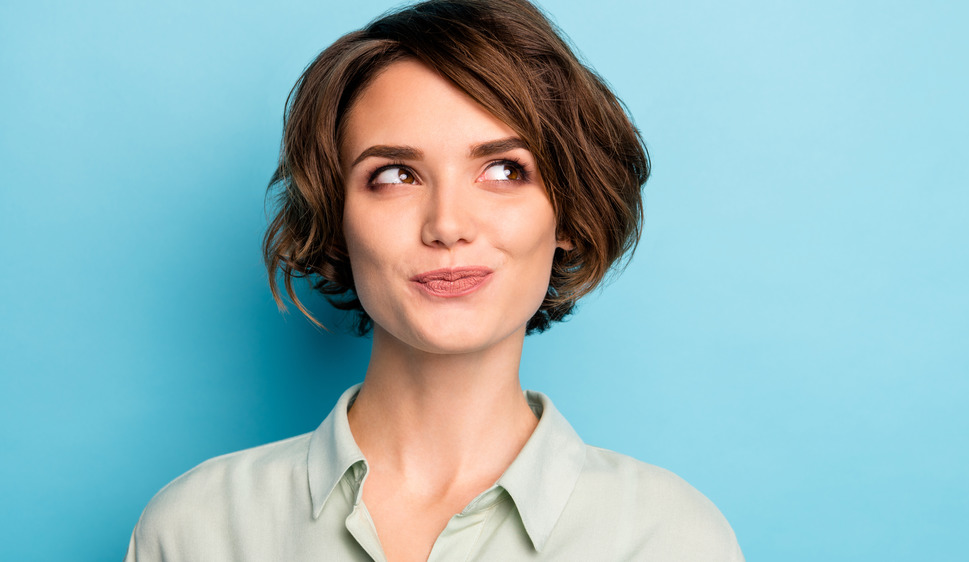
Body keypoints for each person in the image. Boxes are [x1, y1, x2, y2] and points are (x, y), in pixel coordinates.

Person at [125, 0, 743, 560]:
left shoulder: (669, 538)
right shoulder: (198, 530)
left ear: (568, 217)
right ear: (338, 221)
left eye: (504, 170)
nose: (447, 225)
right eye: (395, 175)